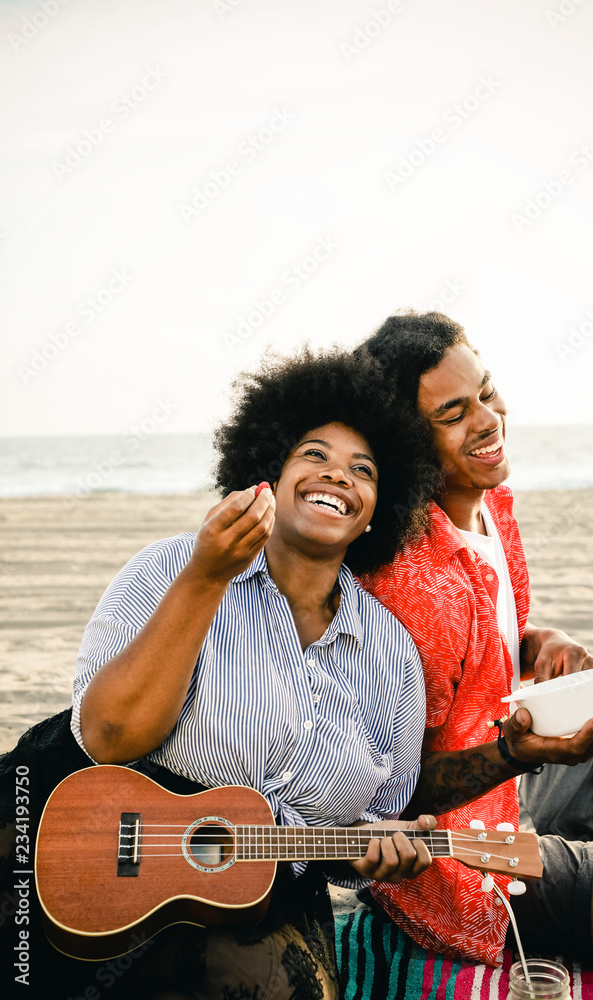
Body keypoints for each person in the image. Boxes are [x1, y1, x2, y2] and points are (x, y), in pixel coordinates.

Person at [1, 348, 442, 1000]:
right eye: (313, 456)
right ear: (268, 474)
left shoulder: (394, 657)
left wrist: (375, 854)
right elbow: (107, 736)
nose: (337, 475)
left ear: (378, 507)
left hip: (259, 891)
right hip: (87, 831)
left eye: (363, 470)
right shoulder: (171, 566)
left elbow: (370, 825)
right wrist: (206, 579)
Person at [358, 311, 593, 971]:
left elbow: (483, 636)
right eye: (452, 414)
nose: (487, 418)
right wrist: (514, 752)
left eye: (485, 391)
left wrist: (534, 642)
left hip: (516, 777)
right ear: (407, 444)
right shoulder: (415, 590)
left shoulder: (485, 501)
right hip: (457, 860)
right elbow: (388, 797)